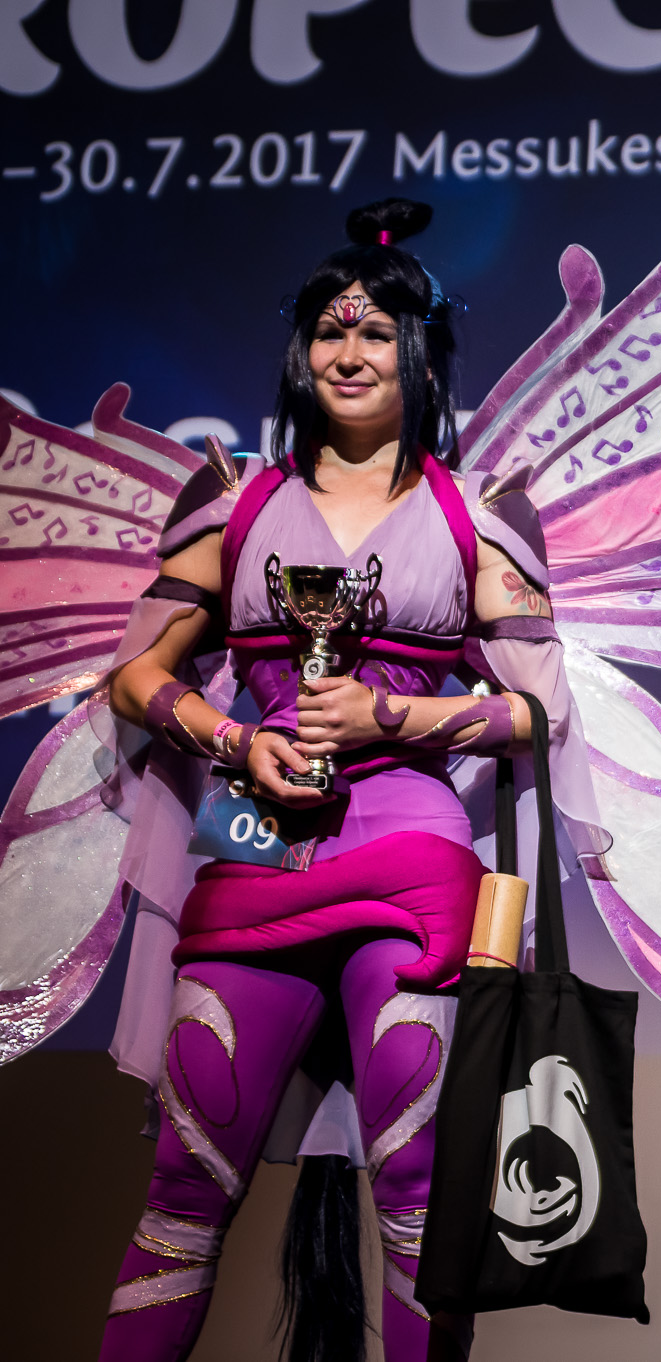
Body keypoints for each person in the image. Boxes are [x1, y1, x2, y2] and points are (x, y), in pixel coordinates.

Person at [95, 197, 575, 1362]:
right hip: (255, 853)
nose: (348, 353)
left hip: (411, 865)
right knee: (183, 1183)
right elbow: (135, 675)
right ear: (299, 353)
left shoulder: (478, 515)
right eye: (327, 332)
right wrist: (233, 739)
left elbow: (537, 709)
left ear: (423, 359)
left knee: (417, 1184)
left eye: (374, 334)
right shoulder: (235, 507)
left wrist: (391, 714)